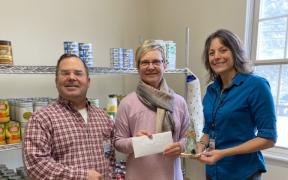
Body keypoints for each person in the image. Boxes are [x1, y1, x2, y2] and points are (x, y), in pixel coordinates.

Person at [196, 29, 277, 180]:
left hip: (243, 173)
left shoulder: (256, 86)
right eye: (211, 53)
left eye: (223, 50)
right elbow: (208, 129)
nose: (216, 57)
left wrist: (223, 153)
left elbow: (268, 138)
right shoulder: (211, 90)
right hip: (213, 172)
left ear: (235, 52)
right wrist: (200, 144)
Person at [23, 54, 115, 180]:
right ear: (56, 81)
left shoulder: (103, 117)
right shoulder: (41, 119)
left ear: (88, 82)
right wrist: (83, 176)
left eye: (78, 73)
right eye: (65, 73)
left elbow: (110, 158)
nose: (72, 77)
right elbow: (36, 166)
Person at [114, 40, 189, 180]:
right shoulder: (127, 103)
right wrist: (135, 142)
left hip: (172, 175)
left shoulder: (179, 102)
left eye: (156, 62)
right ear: (138, 67)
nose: (150, 67)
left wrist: (181, 146)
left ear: (165, 65)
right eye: (145, 62)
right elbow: (118, 142)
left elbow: (189, 138)